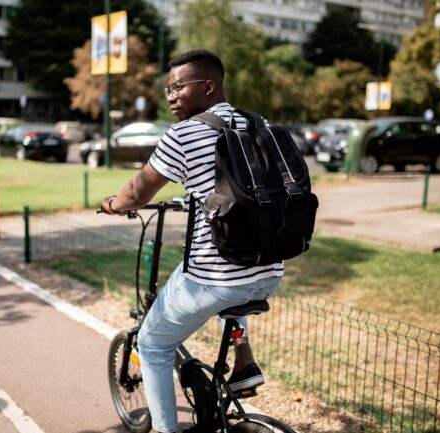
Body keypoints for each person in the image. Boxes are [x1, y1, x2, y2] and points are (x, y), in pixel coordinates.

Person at [101, 49, 283, 433]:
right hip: (270, 270)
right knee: (229, 279)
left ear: (208, 86)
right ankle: (243, 360)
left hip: (214, 281)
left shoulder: (185, 133)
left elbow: (137, 192)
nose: (170, 96)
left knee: (152, 345)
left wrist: (114, 205)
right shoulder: (258, 124)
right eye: (167, 88)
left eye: (177, 87)